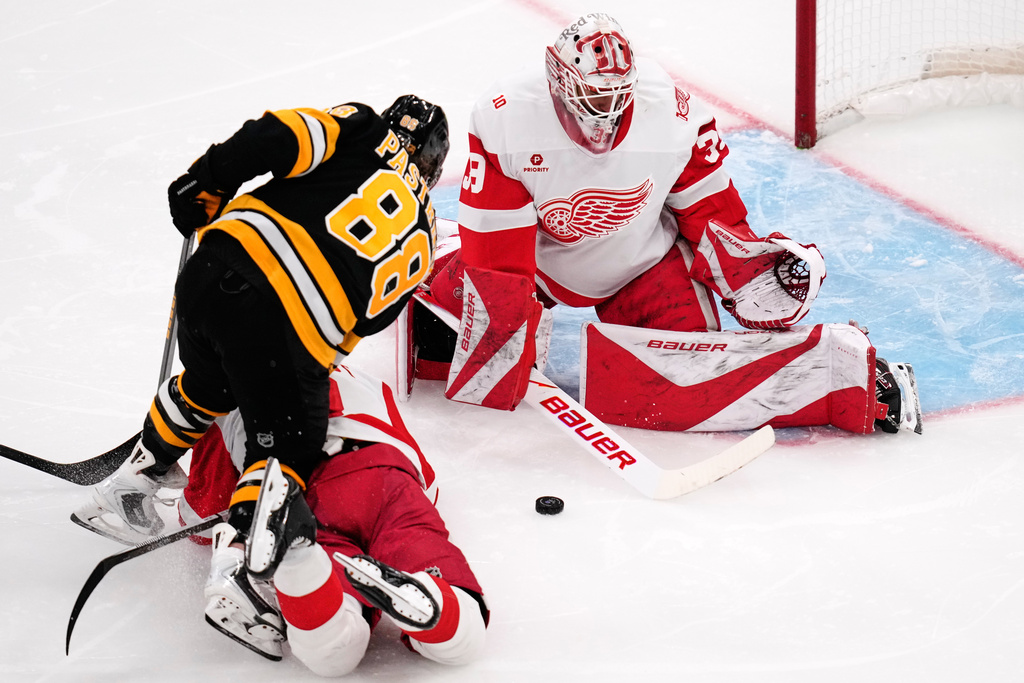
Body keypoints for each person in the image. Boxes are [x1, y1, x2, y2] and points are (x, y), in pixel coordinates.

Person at [413, 13, 921, 435]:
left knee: (681, 378)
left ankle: (844, 377)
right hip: (537, 266)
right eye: (591, 102)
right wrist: (499, 372)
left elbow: (713, 217)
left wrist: (751, 277)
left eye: (617, 102)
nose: (604, 120)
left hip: (642, 265)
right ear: (557, 82)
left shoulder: (673, 115)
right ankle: (443, 251)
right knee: (444, 344)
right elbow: (498, 260)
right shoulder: (506, 117)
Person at [74, 94, 449, 558]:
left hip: (210, 270)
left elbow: (278, 136)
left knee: (209, 386)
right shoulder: (426, 234)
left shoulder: (361, 125)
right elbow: (369, 320)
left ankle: (130, 487)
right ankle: (239, 570)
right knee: (286, 450)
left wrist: (208, 179)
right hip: (283, 324)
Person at [182, 365, 487, 675]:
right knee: (459, 625)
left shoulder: (219, 393)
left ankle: (301, 558)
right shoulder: (365, 379)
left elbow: (203, 513)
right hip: (390, 473)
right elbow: (426, 478)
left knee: (332, 653)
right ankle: (437, 600)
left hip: (313, 494)